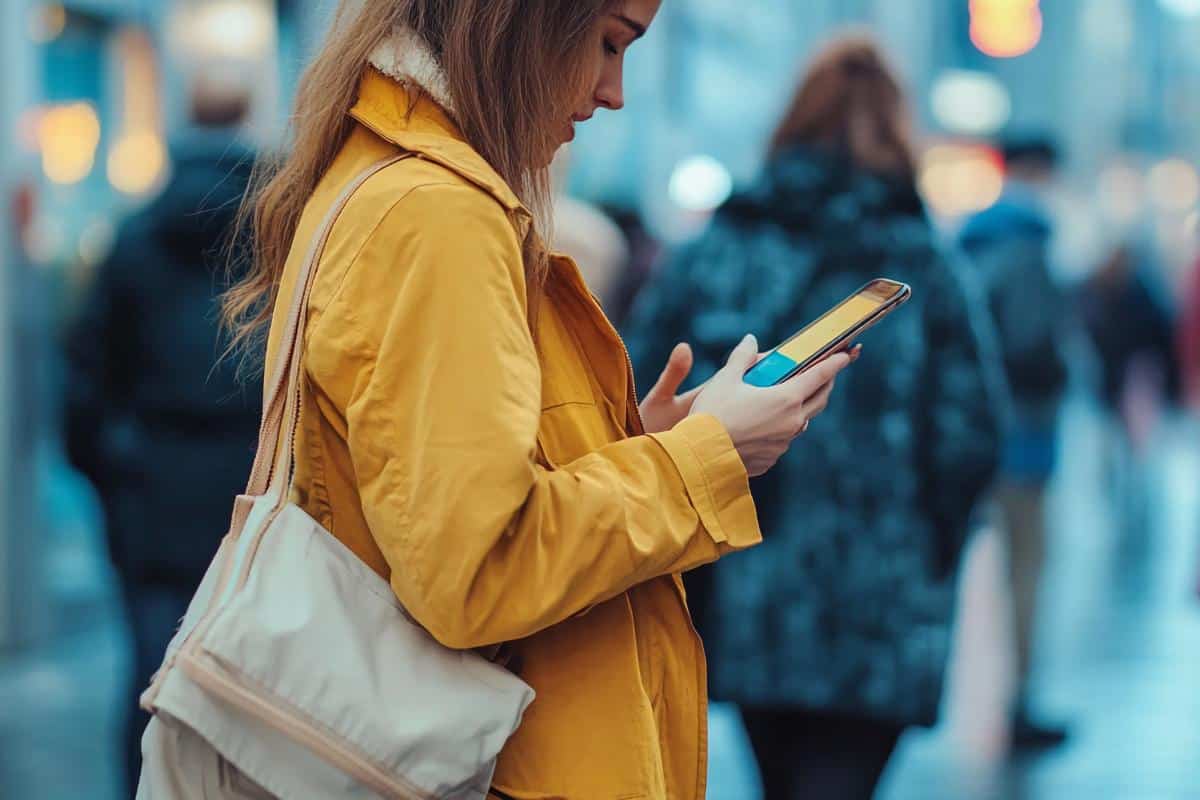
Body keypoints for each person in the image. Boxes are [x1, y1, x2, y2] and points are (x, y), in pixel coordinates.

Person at [139, 2, 856, 798]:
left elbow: (424, 495)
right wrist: (700, 461)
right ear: (526, 20)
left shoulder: (387, 179)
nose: (613, 90)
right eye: (610, 42)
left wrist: (641, 446)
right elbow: (479, 569)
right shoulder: (438, 211)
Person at [626, 34, 1004, 800]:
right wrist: (933, 545)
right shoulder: (919, 262)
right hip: (880, 603)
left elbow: (633, 387)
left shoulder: (717, 248)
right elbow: (972, 434)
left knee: (778, 776)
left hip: (743, 586)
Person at [63, 77, 260, 793]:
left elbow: (84, 381)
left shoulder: (134, 237)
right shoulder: (278, 236)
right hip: (253, 497)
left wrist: (118, 478)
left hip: (153, 500)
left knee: (151, 680)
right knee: (261, 692)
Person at [959, 135, 1072, 748]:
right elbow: (1032, 344)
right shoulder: (1029, 245)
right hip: (1025, 429)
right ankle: (1019, 700)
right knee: (1026, 567)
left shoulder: (971, 240)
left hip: (977, 428)